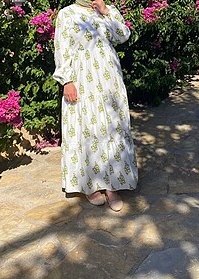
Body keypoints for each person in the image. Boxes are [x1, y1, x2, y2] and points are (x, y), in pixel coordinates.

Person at [53, 0, 138, 212]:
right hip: (82, 79)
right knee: (88, 129)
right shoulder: (67, 14)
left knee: (112, 128)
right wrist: (67, 81)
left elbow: (123, 36)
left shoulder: (106, 10)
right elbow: (62, 49)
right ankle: (90, 184)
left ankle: (113, 185)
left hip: (110, 80)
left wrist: (106, 11)